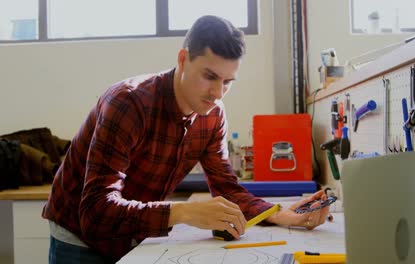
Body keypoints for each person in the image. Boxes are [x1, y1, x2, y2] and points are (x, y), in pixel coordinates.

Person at [42, 15, 330, 263]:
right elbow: (96, 212)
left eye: (227, 82)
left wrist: (279, 214)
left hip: (130, 232)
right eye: (209, 76)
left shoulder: (213, 115)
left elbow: (226, 188)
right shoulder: (128, 103)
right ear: (183, 59)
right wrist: (182, 212)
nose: (218, 92)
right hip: (79, 236)